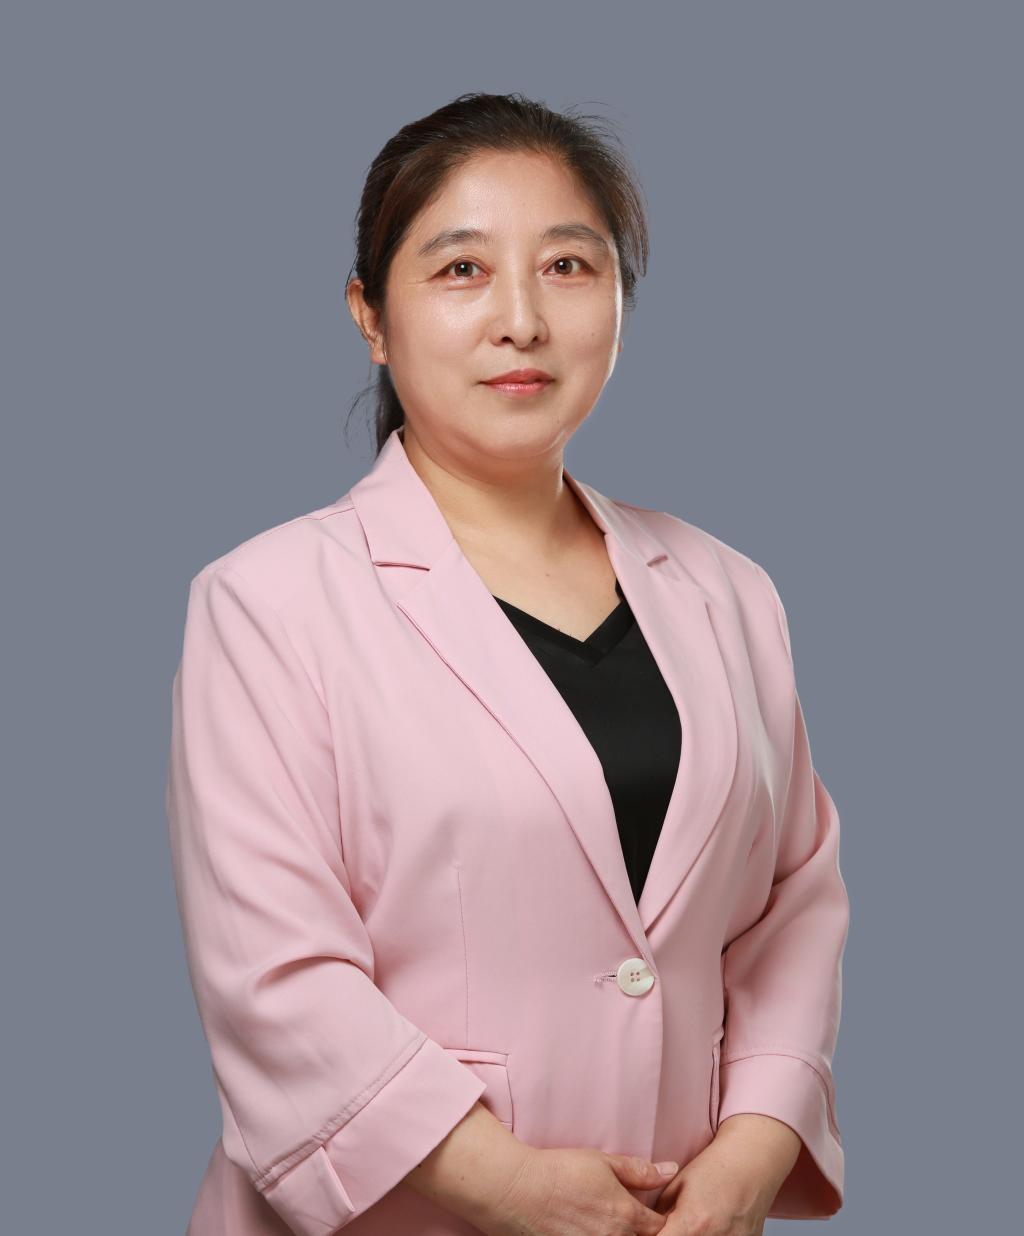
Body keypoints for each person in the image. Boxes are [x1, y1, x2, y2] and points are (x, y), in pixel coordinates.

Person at [165, 92, 849, 1236]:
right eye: (461, 271)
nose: (521, 321)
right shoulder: (267, 605)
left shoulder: (728, 591)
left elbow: (794, 900)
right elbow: (273, 977)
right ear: (370, 316)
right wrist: (506, 1183)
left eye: (569, 267)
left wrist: (754, 1146)